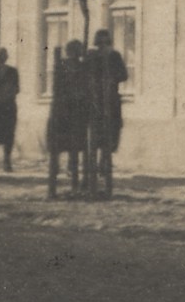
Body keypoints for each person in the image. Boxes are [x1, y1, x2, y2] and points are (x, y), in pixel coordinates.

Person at [82, 27, 129, 197]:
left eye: (104, 42)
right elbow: (84, 75)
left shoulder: (113, 56)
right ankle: (96, 166)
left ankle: (104, 160)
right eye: (100, 42)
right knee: (97, 132)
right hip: (96, 100)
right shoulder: (92, 56)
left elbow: (123, 75)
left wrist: (111, 77)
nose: (102, 45)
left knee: (112, 130)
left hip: (110, 99)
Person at [43, 37, 90, 199]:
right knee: (66, 148)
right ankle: (64, 184)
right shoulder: (68, 66)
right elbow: (60, 88)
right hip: (66, 112)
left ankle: (63, 185)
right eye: (76, 51)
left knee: (69, 148)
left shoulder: (78, 67)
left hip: (68, 113)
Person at [0, 47, 21, 172]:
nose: (1, 57)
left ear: (7, 57)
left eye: (3, 55)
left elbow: (17, 88)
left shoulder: (12, 71)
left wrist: (7, 95)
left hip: (8, 106)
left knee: (8, 133)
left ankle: (7, 161)